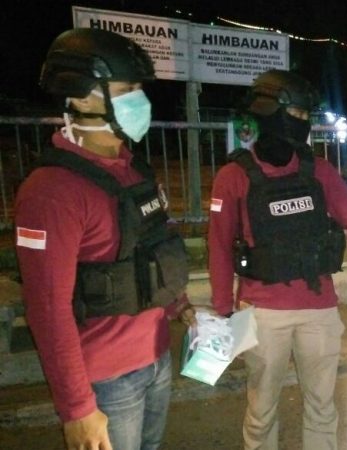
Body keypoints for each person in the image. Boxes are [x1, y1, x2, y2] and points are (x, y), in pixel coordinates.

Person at [15, 28, 194, 450]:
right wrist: (77, 408)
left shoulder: (134, 171)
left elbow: (149, 251)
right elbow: (47, 308)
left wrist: (181, 307)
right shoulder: (52, 191)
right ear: (80, 98)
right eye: (126, 90)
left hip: (156, 358)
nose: (140, 100)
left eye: (139, 89)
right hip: (107, 382)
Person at [207, 69, 347, 450]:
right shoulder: (234, 176)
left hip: (316, 309)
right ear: (269, 112)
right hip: (262, 314)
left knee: (318, 409)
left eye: (305, 115)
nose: (302, 123)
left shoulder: (317, 170)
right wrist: (222, 311)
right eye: (295, 114)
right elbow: (219, 246)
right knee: (264, 410)